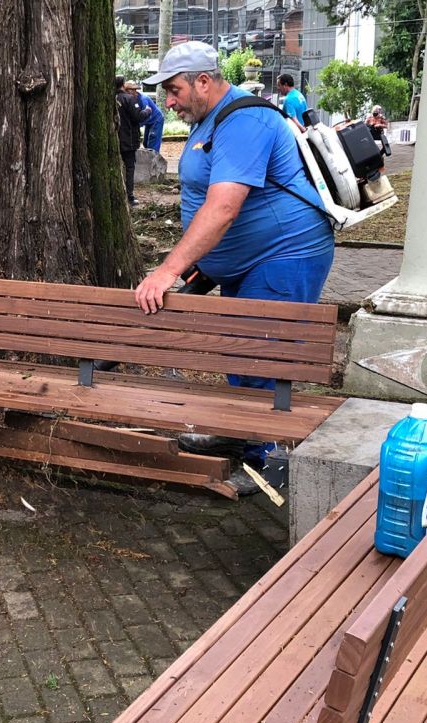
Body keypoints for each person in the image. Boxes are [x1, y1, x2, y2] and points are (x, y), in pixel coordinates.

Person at [136, 42, 334, 473]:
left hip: (286, 253)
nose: (168, 102)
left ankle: (265, 461)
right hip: (244, 260)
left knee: (262, 353)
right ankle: (237, 433)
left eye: (173, 90)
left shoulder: (245, 119)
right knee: (237, 348)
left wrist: (168, 269)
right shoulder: (209, 118)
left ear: (203, 81)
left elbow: (224, 207)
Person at [115, 75, 150, 205]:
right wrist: (147, 111)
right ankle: (129, 196)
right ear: (125, 87)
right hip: (128, 140)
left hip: (117, 139)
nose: (136, 92)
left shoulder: (113, 98)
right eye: (133, 89)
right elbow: (137, 117)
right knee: (130, 167)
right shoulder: (129, 99)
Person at [124, 81, 165, 153]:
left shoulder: (143, 99)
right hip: (148, 122)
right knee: (145, 143)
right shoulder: (132, 99)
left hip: (156, 119)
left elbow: (146, 116)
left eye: (128, 91)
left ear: (133, 91)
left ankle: (154, 161)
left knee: (153, 143)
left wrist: (136, 125)